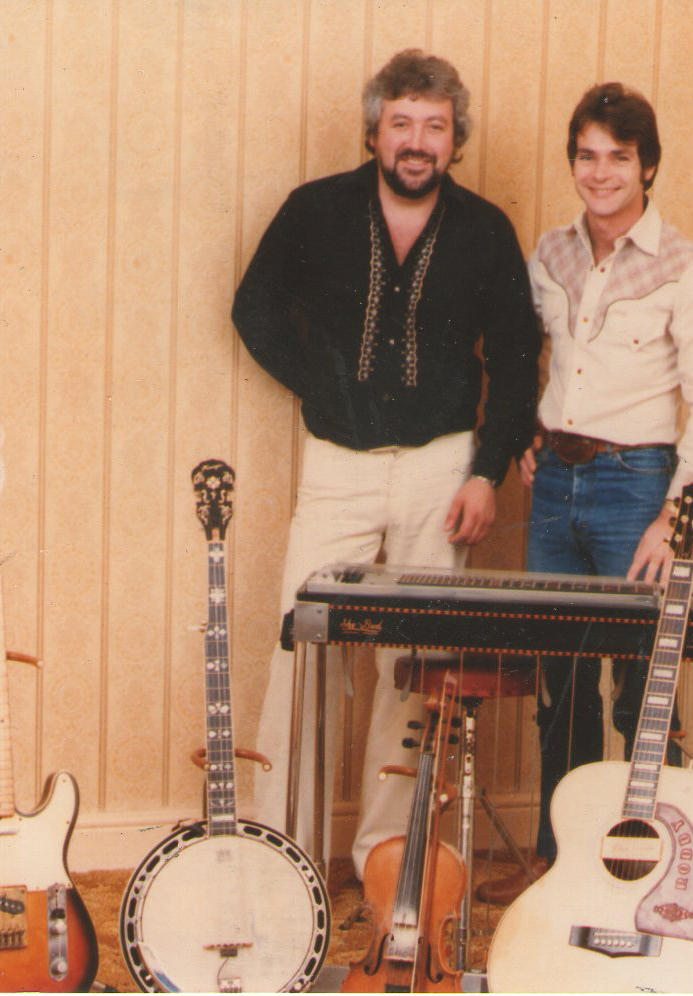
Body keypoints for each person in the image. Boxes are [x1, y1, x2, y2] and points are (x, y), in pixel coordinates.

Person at [231, 49, 540, 878]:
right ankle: (281, 855)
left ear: (455, 140)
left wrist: (487, 471)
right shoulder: (316, 209)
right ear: (374, 131)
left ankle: (388, 859)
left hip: (444, 469)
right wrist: (321, 382)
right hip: (339, 464)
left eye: (435, 126)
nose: (417, 141)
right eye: (401, 123)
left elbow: (517, 358)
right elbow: (253, 307)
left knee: (416, 667)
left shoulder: (485, 231)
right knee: (304, 651)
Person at [476, 81, 693, 904]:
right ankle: (565, 863)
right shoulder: (549, 256)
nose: (600, 173)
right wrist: (530, 433)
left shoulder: (690, 273)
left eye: (618, 158)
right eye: (586, 156)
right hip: (556, 484)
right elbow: (528, 358)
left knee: (639, 684)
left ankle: (671, 861)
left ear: (648, 166)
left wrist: (674, 517)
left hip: (638, 490)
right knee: (560, 683)